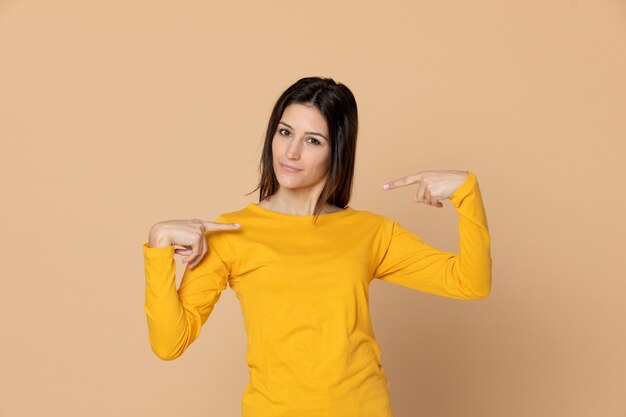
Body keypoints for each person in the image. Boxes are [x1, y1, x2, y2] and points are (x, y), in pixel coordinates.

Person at [142, 76, 492, 417]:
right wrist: (159, 248)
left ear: (336, 150)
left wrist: (466, 193)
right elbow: (170, 343)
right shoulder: (230, 232)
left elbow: (469, 283)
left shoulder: (369, 232)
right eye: (284, 132)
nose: (291, 152)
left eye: (312, 141)